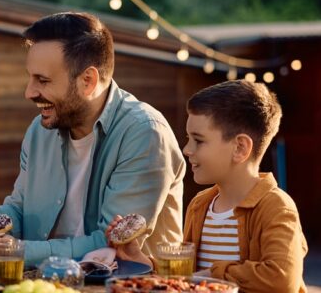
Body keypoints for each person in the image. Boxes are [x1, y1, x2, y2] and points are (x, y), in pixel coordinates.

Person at [0, 12, 186, 267]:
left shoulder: (144, 133)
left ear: (87, 81)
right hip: (46, 282)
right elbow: (21, 213)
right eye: (31, 78)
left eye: (42, 80)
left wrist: (16, 253)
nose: (29, 92)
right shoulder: (39, 131)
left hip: (126, 284)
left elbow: (114, 245)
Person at [109, 80, 307, 292]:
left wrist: (213, 275)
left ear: (240, 148)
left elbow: (281, 279)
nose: (187, 149)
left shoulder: (276, 207)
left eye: (199, 140)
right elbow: (187, 278)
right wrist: (142, 261)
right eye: (189, 138)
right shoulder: (200, 205)